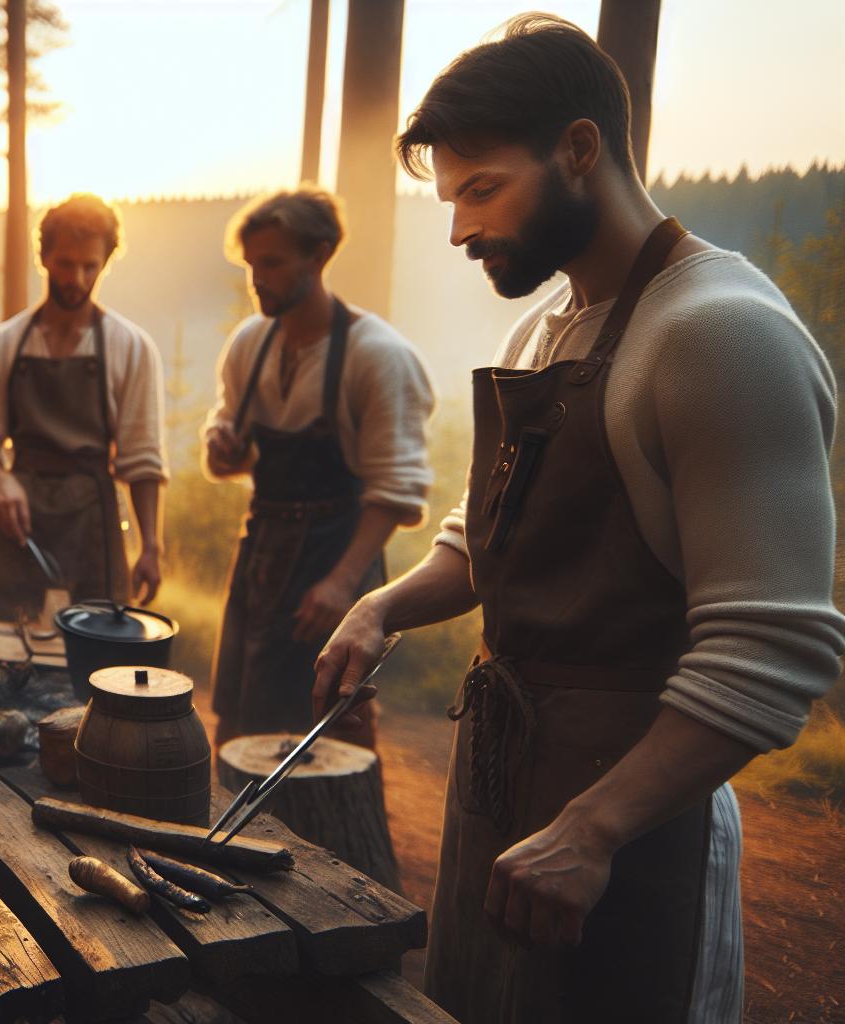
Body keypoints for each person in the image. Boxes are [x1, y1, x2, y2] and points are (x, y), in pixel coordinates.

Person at [312, 15, 844, 1023]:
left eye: (481, 189)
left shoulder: (720, 334)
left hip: (633, 836)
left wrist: (594, 828)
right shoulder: (547, 322)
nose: (461, 228)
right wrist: (382, 604)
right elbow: (488, 540)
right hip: (506, 790)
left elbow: (769, 653)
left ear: (578, 149)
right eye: (451, 199)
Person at [203, 189, 434, 749]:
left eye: (274, 263)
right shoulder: (250, 343)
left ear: (320, 255)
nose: (258, 278)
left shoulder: (376, 355)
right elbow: (227, 440)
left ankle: (328, 839)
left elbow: (396, 492)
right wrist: (223, 447)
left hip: (336, 555)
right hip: (262, 550)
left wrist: (342, 582)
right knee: (241, 724)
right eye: (252, 263)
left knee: (325, 735)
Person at [0, 194, 168, 622]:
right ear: (44, 258)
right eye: (66, 263)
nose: (77, 277)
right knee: (7, 648)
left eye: (90, 266)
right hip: (21, 524)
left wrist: (150, 546)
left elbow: (142, 458)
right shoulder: (3, 345)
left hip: (94, 523)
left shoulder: (129, 347)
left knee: (99, 662)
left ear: (105, 263)